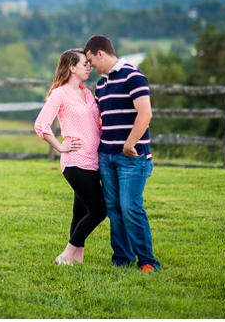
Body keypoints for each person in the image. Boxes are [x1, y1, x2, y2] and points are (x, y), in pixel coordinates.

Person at [83, 35, 160, 273]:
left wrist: (129, 144)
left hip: (131, 157)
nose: (89, 66)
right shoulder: (101, 85)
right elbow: (100, 119)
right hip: (107, 156)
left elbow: (145, 114)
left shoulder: (133, 76)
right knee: (114, 208)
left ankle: (147, 261)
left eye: (90, 60)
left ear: (100, 54)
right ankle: (122, 259)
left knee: (130, 207)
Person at [33, 49, 106, 265]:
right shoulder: (60, 93)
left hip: (93, 161)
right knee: (98, 210)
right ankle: (66, 254)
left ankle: (78, 258)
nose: (89, 66)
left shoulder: (87, 93)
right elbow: (41, 124)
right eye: (85, 63)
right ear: (72, 67)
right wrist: (59, 146)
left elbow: (97, 126)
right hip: (75, 161)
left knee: (80, 210)